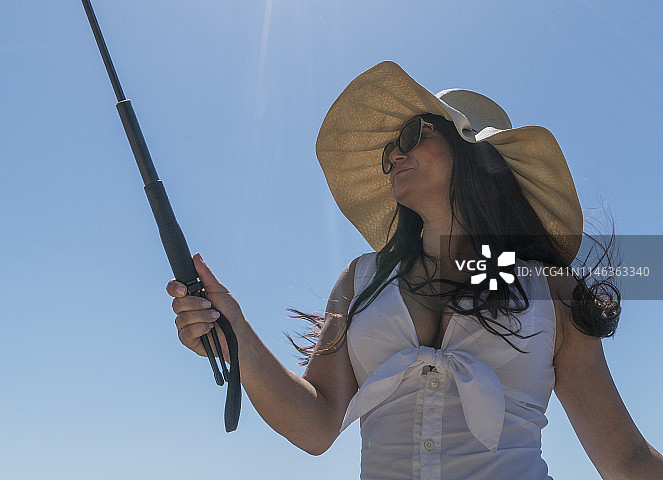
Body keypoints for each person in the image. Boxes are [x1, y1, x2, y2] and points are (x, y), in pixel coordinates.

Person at [168, 61, 663, 479]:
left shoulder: (550, 288)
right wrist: (238, 336)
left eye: (411, 135)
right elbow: (317, 424)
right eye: (388, 152)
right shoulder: (361, 282)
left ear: (472, 152)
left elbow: (627, 457)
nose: (394, 156)